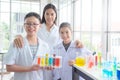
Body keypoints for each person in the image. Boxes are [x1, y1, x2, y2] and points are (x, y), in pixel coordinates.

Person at [13, 3, 83, 80]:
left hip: (52, 63)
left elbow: (66, 40)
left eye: (52, 14)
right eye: (47, 14)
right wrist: (17, 36)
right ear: (44, 15)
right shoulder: (38, 26)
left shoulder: (58, 30)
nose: (49, 17)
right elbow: (26, 35)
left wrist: (77, 41)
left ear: (55, 15)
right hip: (38, 62)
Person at [4, 12, 50, 80]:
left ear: (40, 26)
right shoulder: (16, 43)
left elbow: (46, 64)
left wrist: (48, 67)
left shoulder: (45, 46)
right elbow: (9, 67)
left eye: (34, 24)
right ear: (24, 25)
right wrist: (30, 68)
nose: (31, 26)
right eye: (28, 23)